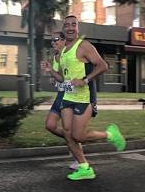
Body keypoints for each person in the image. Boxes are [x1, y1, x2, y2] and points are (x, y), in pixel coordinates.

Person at [42, 14, 126, 181]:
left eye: (74, 24)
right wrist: (51, 71)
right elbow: (62, 78)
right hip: (67, 97)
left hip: (82, 98)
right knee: (68, 134)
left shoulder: (84, 46)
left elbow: (103, 65)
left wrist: (85, 79)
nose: (71, 27)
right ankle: (84, 167)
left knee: (78, 136)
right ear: (64, 28)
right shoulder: (63, 51)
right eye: (67, 25)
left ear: (77, 28)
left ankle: (110, 134)